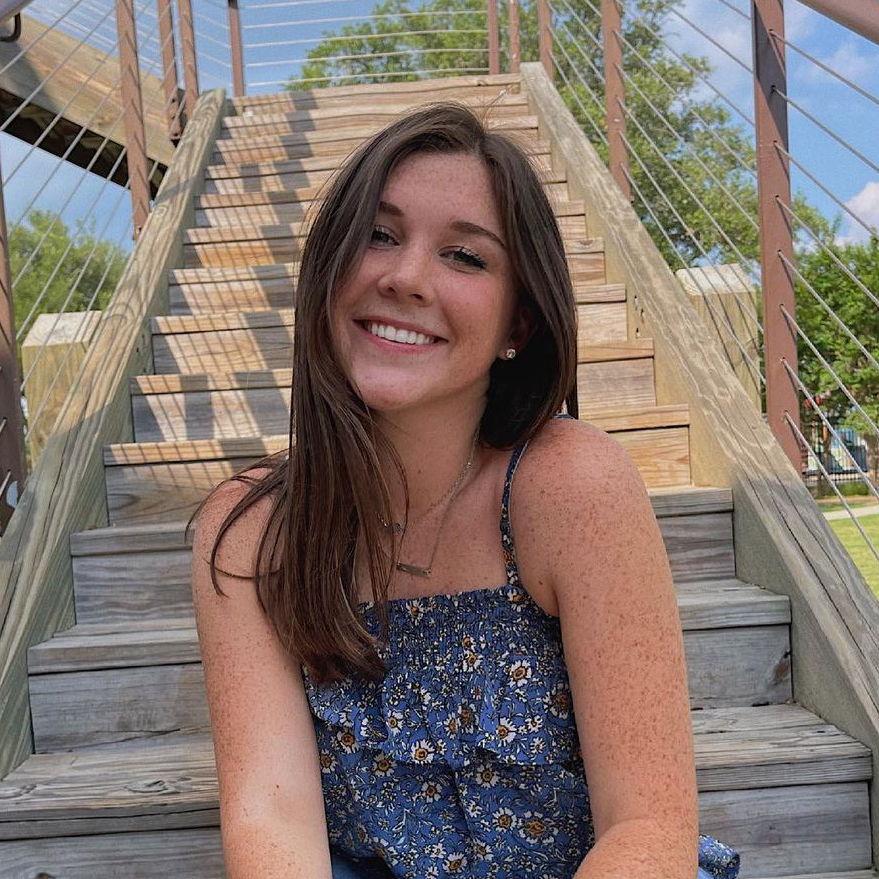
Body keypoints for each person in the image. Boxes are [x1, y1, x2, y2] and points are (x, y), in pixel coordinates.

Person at [187, 101, 741, 879]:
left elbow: (648, 823)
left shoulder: (570, 488)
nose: (405, 277)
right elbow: (269, 819)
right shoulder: (253, 531)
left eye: (464, 256)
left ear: (517, 325)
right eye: (378, 235)